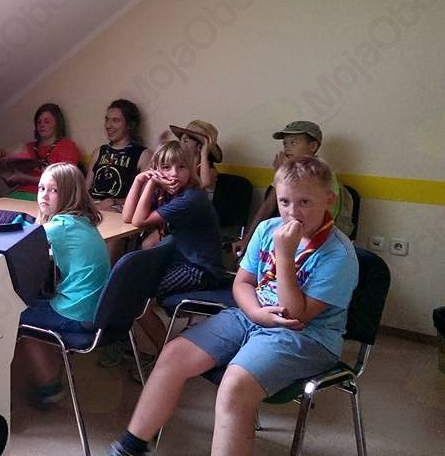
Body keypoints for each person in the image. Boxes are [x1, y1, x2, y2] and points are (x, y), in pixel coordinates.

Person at [107, 156, 358, 456]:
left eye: (304, 202)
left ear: (328, 200)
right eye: (285, 201)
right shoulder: (267, 229)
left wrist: (285, 255)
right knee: (173, 354)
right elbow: (242, 283)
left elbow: (296, 315)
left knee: (234, 387)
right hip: (253, 314)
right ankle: (131, 447)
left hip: (306, 335)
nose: (292, 212)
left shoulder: (338, 254)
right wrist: (255, 313)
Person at [16, 162, 111, 405]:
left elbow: (18, 244)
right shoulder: (82, 221)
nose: (44, 195)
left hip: (78, 313)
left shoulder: (61, 227)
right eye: (41, 188)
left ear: (70, 194)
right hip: (95, 308)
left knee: (17, 314)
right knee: (35, 301)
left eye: (53, 190)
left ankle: (49, 386)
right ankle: (52, 365)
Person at [120, 140, 224, 353]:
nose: (174, 174)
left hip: (199, 269)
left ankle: (166, 355)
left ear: (191, 169)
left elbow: (139, 221)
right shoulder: (168, 192)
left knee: (135, 298)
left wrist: (150, 183)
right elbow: (127, 216)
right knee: (131, 288)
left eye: (181, 167)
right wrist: (140, 180)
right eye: (166, 168)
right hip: (182, 262)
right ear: (156, 170)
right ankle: (161, 349)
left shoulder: (190, 197)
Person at [231, 121, 354, 257]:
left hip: (314, 245)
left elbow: (318, 221)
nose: (287, 148)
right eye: (285, 144)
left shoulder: (323, 177)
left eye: (294, 143)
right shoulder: (289, 172)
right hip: (286, 236)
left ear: (313, 147)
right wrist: (247, 239)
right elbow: (267, 206)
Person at [0, 103, 81, 200]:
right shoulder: (27, 147)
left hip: (49, 197)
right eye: (39, 122)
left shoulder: (68, 147)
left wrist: (25, 178)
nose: (42, 125)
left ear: (58, 124)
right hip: (21, 193)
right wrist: (2, 163)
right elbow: (11, 183)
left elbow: (63, 182)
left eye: (47, 122)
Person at [85, 99, 151, 211]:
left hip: (118, 207)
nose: (108, 125)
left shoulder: (143, 154)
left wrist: (114, 201)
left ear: (129, 125)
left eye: (115, 121)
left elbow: (143, 198)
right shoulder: (99, 151)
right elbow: (86, 189)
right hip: (92, 205)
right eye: (107, 120)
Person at [168, 120, 222, 198]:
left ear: (200, 147)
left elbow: (203, 184)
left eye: (186, 140)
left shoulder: (211, 171)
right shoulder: (181, 165)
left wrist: (204, 153)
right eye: (181, 139)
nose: (181, 143)